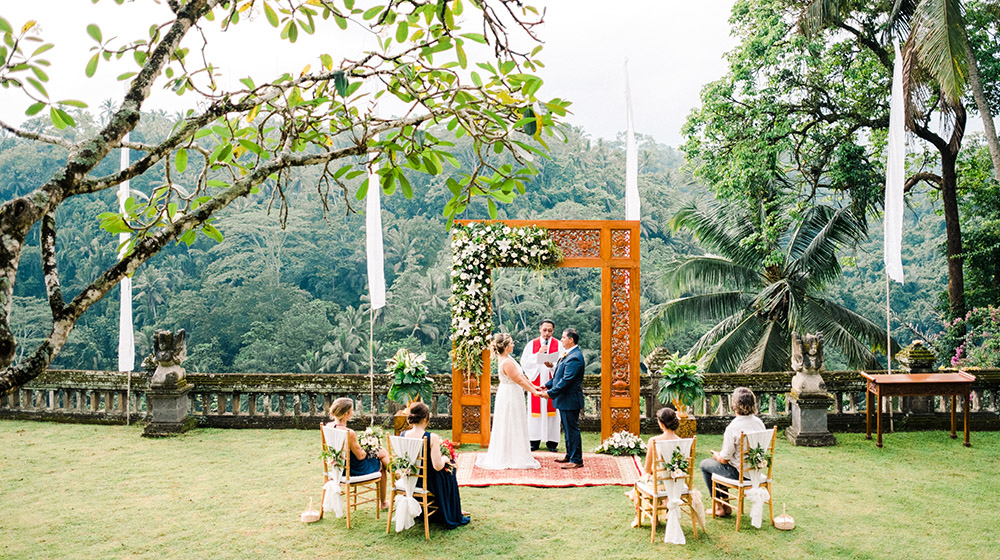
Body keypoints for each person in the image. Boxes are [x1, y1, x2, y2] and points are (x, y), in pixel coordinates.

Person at [475, 333, 544, 470]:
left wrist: (534, 386)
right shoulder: (506, 362)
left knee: (516, 421)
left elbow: (522, 376)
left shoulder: (508, 358)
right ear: (506, 346)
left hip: (513, 392)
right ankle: (510, 455)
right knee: (510, 421)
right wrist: (534, 392)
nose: (513, 345)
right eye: (511, 343)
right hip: (510, 394)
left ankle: (515, 452)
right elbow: (517, 379)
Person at [401, 402, 471, 529]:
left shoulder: (403, 434)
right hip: (427, 481)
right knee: (451, 469)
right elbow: (437, 466)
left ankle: (446, 509)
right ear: (426, 418)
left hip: (411, 479)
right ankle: (453, 511)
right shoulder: (431, 437)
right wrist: (445, 458)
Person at [699, 387, 766, 517]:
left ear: (734, 405)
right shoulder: (759, 423)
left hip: (740, 473)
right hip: (756, 471)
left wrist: (717, 455)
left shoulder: (733, 427)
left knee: (705, 465)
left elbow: (724, 459)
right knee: (717, 465)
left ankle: (719, 507)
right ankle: (726, 506)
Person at [327, 397, 390, 509]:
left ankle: (398, 481)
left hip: (338, 467)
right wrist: (369, 448)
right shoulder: (349, 433)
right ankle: (385, 500)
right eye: (351, 410)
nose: (353, 412)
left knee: (381, 452)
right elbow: (360, 456)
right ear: (347, 413)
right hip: (352, 469)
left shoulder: (328, 426)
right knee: (382, 458)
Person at [628, 407, 681, 527]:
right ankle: (661, 511)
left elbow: (646, 470)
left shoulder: (654, 441)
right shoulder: (683, 441)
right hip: (676, 482)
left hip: (660, 484)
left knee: (644, 480)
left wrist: (649, 472)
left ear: (661, 424)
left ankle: (652, 515)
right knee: (653, 477)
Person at [540, 328, 586, 469]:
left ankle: (576, 459)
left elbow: (566, 380)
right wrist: (547, 385)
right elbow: (558, 375)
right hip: (565, 400)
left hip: (570, 399)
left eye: (563, 337)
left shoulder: (575, 357)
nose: (561, 340)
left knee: (572, 429)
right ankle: (569, 454)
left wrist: (550, 393)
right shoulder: (567, 354)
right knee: (567, 428)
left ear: (571, 340)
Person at [520, 319, 562, 452]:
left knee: (553, 413)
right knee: (535, 413)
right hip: (536, 382)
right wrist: (538, 355)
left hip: (551, 382)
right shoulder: (532, 344)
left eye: (550, 331)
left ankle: (552, 442)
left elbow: (562, 363)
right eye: (544, 330)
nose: (547, 333)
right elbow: (524, 362)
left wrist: (552, 366)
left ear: (553, 331)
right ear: (540, 329)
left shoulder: (559, 345)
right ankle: (534, 440)